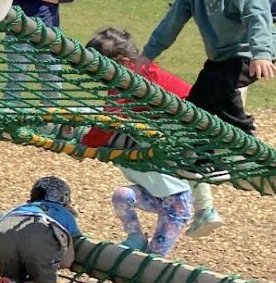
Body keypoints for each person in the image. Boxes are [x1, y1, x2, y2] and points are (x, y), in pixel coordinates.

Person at [141, 0, 276, 237]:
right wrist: (148, 54)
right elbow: (171, 22)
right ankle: (203, 159)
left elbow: (258, 18)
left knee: (222, 87)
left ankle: (246, 140)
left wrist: (261, 53)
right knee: (197, 106)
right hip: (220, 57)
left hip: (252, 53)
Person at [82, 29, 195, 262]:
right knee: (122, 195)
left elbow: (105, 125)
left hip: (176, 201)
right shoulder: (130, 80)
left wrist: (85, 146)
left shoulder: (136, 81)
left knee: (154, 260)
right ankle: (136, 237)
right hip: (156, 189)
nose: (98, 79)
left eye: (100, 71)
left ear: (123, 63)